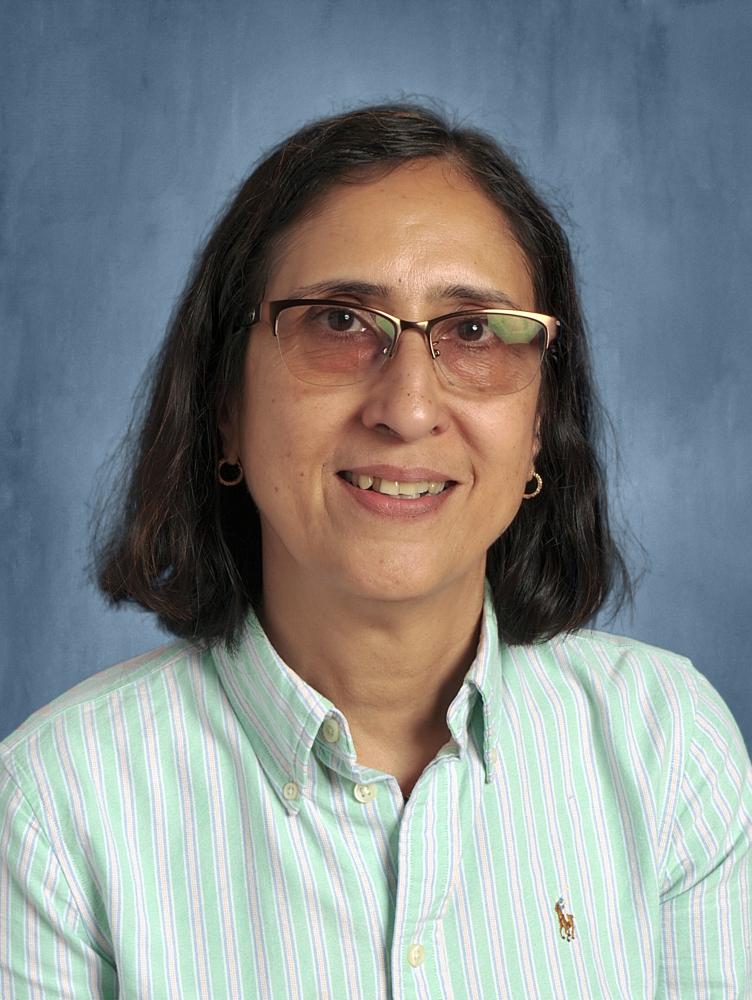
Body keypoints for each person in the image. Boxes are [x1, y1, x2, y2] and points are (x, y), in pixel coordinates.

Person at [1, 103, 749, 998]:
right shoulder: (53, 806)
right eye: (339, 323)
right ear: (225, 406)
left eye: (474, 330)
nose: (408, 406)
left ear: (539, 424)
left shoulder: (668, 751)